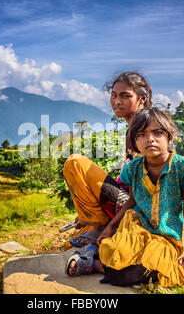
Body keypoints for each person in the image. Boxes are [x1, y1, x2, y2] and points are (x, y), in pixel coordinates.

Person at [66, 107, 184, 288]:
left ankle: (94, 264)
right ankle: (95, 256)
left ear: (169, 136)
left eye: (158, 133)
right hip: (135, 229)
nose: (150, 139)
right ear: (135, 141)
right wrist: (110, 227)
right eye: (141, 134)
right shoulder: (133, 168)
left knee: (153, 268)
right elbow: (131, 201)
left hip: (165, 237)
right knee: (115, 254)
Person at [63, 72, 152, 248]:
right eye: (114, 95)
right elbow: (125, 178)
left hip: (141, 206)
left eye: (125, 96)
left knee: (75, 163)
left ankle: (100, 225)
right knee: (72, 242)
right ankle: (95, 222)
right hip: (131, 199)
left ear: (142, 98)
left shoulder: (146, 128)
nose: (117, 102)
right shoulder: (134, 128)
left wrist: (106, 223)